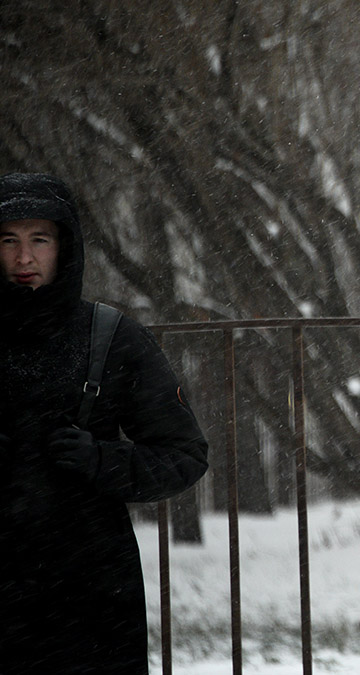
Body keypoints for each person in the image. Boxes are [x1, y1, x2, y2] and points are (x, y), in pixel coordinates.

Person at [0, 173, 209, 674]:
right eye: (8, 240)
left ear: (65, 247)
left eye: (40, 240)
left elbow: (184, 455)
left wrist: (102, 460)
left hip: (89, 588)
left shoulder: (111, 338)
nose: (23, 258)